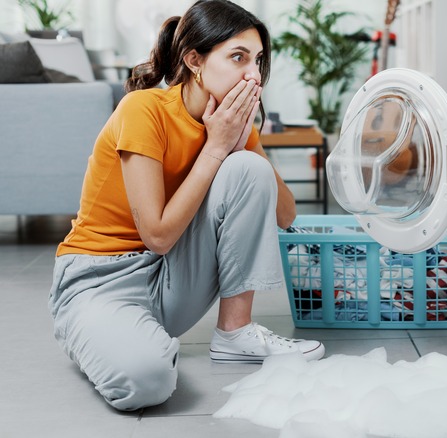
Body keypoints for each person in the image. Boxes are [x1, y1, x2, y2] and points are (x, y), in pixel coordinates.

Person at [48, 0, 324, 411]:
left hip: (171, 278)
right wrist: (215, 148)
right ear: (194, 60)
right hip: (98, 280)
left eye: (258, 60)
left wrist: (242, 140)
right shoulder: (144, 110)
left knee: (248, 168)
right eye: (238, 57)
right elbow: (157, 236)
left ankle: (234, 332)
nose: (253, 74)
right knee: (147, 382)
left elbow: (286, 215)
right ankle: (101, 332)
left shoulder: (231, 124)